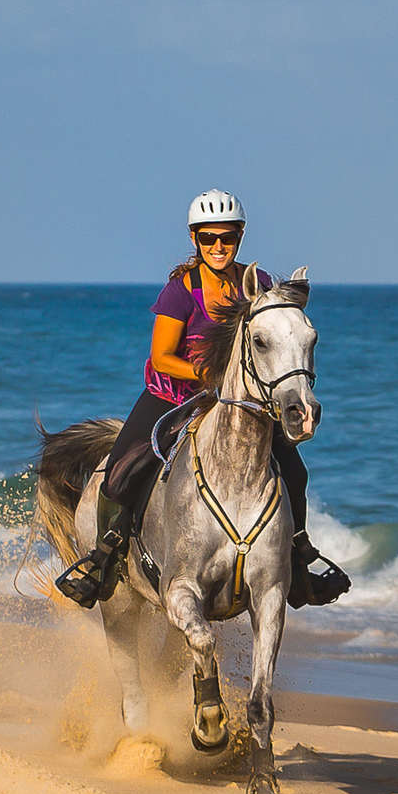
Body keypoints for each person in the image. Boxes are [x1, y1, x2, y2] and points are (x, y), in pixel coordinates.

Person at [54, 188, 338, 610]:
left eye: (227, 237)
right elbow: (162, 357)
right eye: (209, 238)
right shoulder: (180, 291)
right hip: (174, 395)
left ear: (240, 236)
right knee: (119, 471)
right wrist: (210, 374)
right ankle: (104, 559)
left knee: (294, 473)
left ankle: (297, 562)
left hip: (241, 403)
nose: (218, 247)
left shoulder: (257, 285)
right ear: (194, 240)